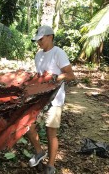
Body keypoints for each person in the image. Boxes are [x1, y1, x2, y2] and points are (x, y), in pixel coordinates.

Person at [26, 25, 75, 174]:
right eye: (37, 40)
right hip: (40, 98)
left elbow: (70, 75)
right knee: (28, 126)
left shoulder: (58, 53)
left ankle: (51, 165)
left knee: (50, 133)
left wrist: (55, 77)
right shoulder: (38, 55)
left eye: (41, 39)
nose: (39, 42)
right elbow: (39, 75)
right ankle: (39, 151)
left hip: (55, 100)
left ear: (50, 37)